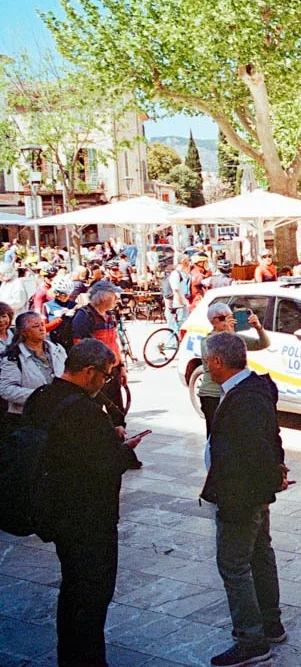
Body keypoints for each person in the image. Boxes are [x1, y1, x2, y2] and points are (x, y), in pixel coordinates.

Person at [28, 339, 143, 667]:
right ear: (89, 371)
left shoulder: (43, 397)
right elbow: (104, 463)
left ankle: (71, 655)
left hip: (54, 509)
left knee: (73, 589)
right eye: (105, 376)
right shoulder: (84, 411)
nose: (106, 382)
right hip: (88, 517)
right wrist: (123, 447)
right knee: (91, 595)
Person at [199, 332, 288, 666]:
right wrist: (275, 472)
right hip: (251, 490)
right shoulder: (252, 388)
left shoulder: (243, 397)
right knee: (259, 554)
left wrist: (272, 476)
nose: (206, 365)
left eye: (208, 359)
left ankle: (252, 640)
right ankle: (270, 623)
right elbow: (272, 436)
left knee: (234, 564)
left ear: (218, 361)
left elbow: (258, 446)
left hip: (241, 494)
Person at [198, 303, 271, 435]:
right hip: (213, 395)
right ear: (214, 322)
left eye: (230, 317)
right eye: (223, 318)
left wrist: (258, 328)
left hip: (235, 391)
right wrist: (229, 334)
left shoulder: (235, 337)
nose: (227, 321)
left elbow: (263, 344)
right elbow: (221, 359)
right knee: (216, 433)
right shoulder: (207, 341)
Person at [0, 311, 68, 425]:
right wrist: (39, 396)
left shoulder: (58, 349)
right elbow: (6, 389)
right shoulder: (13, 357)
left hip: (60, 413)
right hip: (29, 418)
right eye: (36, 326)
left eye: (42, 324)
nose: (42, 329)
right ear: (24, 332)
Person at [71, 281, 126, 418]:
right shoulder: (84, 317)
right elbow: (81, 349)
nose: (116, 298)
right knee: (95, 412)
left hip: (112, 371)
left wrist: (121, 366)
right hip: (96, 374)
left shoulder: (108, 316)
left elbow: (114, 342)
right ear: (103, 297)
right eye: (113, 295)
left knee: (118, 411)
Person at [167, 257, 193, 330]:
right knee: (180, 327)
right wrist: (181, 303)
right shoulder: (175, 274)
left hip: (184, 304)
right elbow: (176, 290)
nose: (188, 264)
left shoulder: (184, 273)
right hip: (179, 305)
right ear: (183, 262)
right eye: (187, 262)